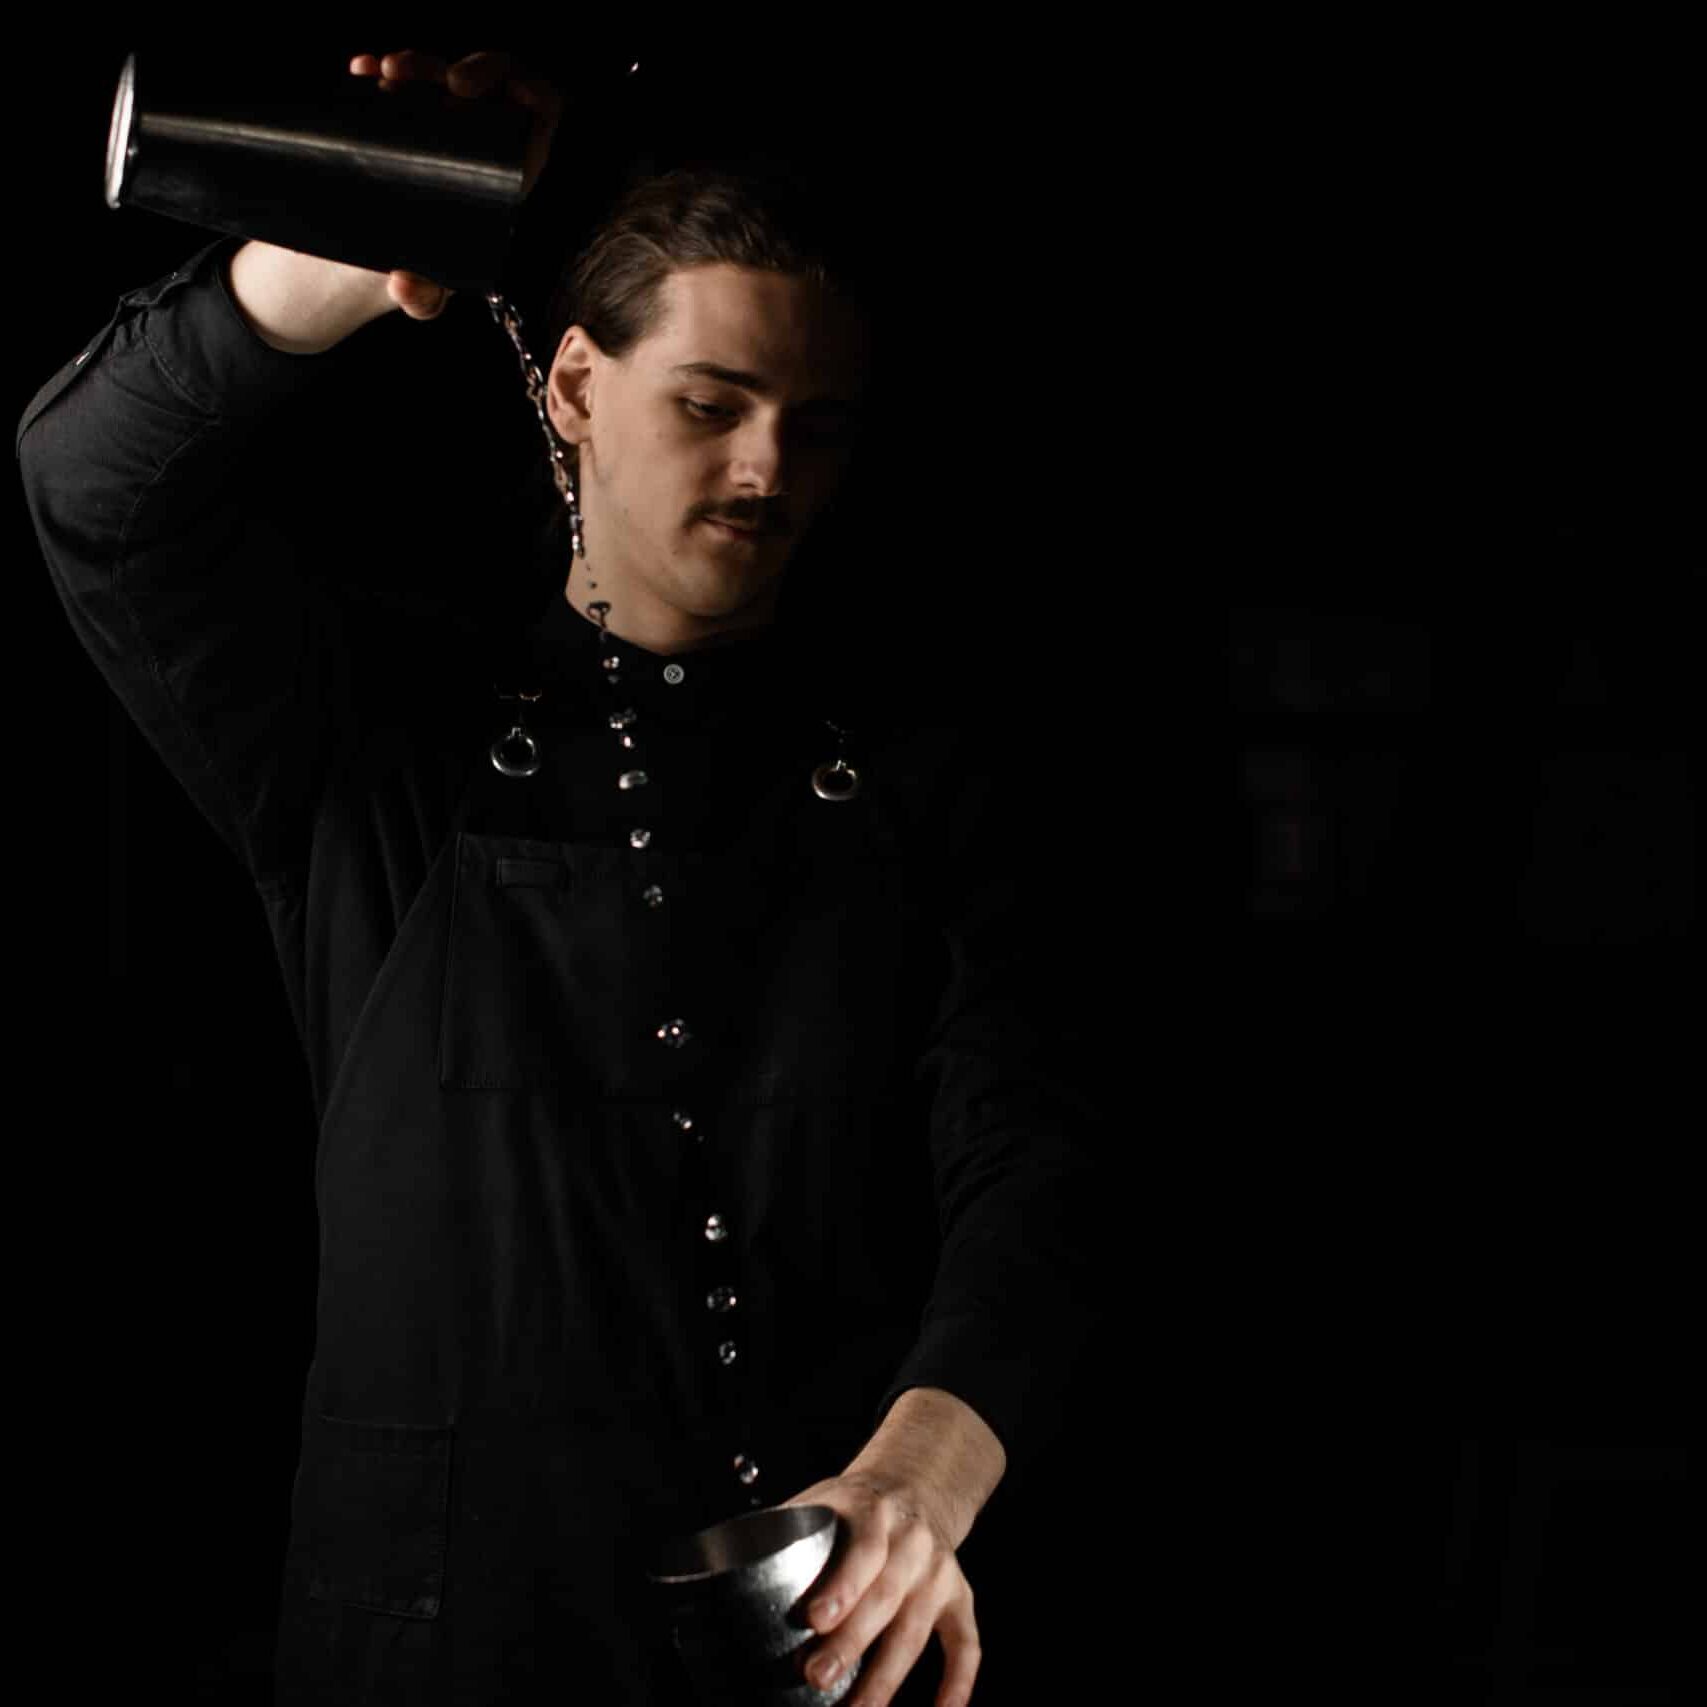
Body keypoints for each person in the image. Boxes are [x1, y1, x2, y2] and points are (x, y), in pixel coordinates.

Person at [19, 48, 1101, 1706]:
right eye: (710, 405)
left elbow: (1034, 1146)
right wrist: (343, 252)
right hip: (430, 1634)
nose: (764, 472)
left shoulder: (919, 769)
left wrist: (925, 1475)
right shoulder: (381, 740)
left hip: (814, 1631)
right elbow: (99, 482)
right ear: (578, 387)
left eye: (812, 427)